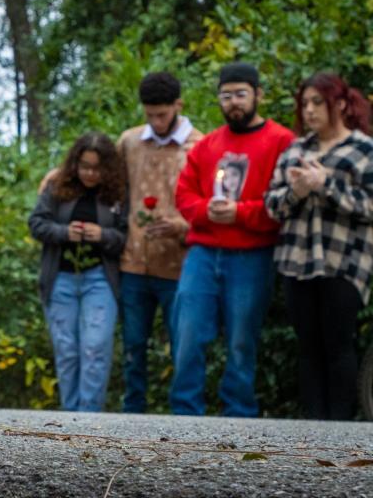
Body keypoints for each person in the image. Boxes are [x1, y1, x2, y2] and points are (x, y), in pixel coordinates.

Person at [171, 62, 295, 417]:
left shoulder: (282, 141)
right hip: (203, 252)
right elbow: (184, 194)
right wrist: (206, 210)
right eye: (226, 96)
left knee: (242, 338)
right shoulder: (207, 145)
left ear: (258, 94)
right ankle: (184, 414)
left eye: (241, 94)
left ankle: (239, 415)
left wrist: (241, 213)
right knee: (188, 333)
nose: (234, 103)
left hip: (252, 254)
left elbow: (284, 202)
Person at [264, 72, 373, 420]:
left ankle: (340, 428)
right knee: (308, 345)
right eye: (305, 103)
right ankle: (313, 428)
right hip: (297, 260)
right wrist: (297, 191)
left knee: (338, 342)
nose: (309, 110)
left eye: (317, 102)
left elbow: (369, 206)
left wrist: (326, 184)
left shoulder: (363, 149)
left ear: (339, 104)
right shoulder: (296, 149)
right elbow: (271, 204)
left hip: (345, 261)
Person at [116, 72, 203, 413]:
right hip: (133, 260)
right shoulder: (129, 141)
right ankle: (132, 414)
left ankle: (186, 417)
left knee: (183, 344)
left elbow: (211, 199)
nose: (156, 121)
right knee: (133, 345)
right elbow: (102, 176)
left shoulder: (198, 144)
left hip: (179, 263)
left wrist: (182, 225)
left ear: (178, 106)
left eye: (162, 114)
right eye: (149, 114)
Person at [28, 132, 128, 412]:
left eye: (97, 168)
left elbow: (125, 236)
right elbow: (36, 223)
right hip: (60, 277)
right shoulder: (57, 186)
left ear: (107, 168)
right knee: (66, 349)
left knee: (95, 347)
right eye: (84, 166)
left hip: (99, 278)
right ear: (75, 163)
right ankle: (70, 414)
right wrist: (64, 232)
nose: (90, 173)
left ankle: (89, 416)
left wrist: (102, 235)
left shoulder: (118, 193)